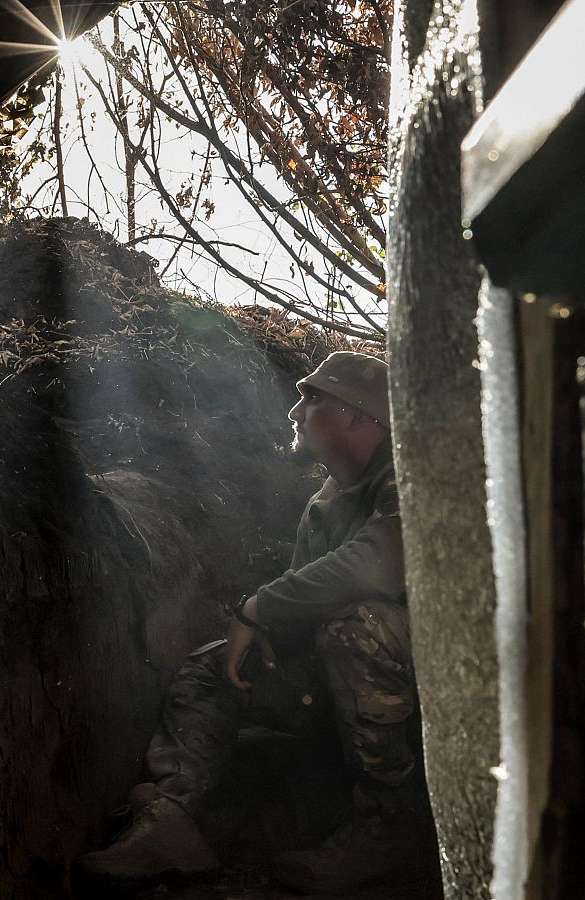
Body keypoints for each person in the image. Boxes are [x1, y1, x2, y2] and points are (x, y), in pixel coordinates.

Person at [80, 351, 430, 893]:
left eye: (313, 398)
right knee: (214, 664)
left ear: (359, 416)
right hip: (351, 688)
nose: (295, 410)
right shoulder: (325, 504)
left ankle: (389, 824)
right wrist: (262, 631)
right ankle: (168, 818)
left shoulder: (415, 479)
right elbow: (299, 605)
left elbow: (380, 564)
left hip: (433, 698)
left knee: (359, 626)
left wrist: (256, 608)